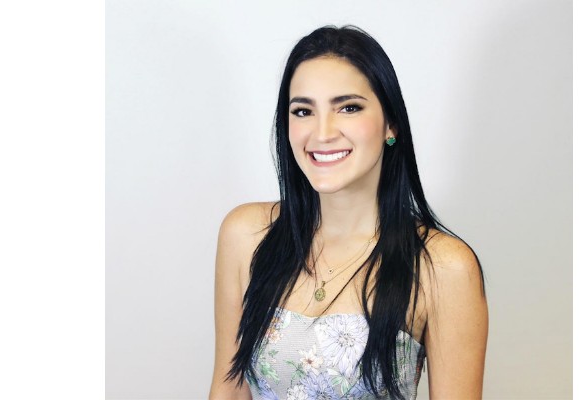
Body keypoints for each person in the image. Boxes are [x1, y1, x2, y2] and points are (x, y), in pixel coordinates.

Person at [209, 25, 488, 400]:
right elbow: (228, 388)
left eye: (348, 108)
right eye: (303, 111)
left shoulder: (443, 267)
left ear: (391, 123)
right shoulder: (246, 234)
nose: (322, 133)